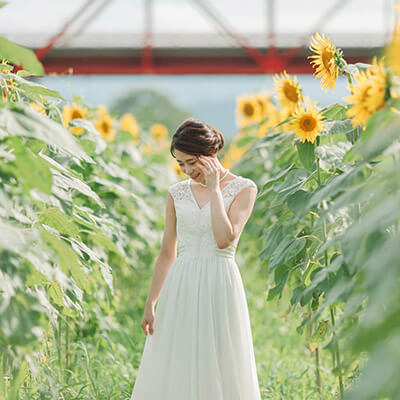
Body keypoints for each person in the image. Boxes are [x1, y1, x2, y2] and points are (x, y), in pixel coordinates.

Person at [131, 118, 261, 399]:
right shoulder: (176, 193)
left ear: (211, 155)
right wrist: (151, 302)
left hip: (220, 282)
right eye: (181, 164)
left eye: (192, 162)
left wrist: (214, 189)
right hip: (182, 283)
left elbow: (224, 238)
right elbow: (167, 251)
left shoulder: (244, 189)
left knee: (221, 358)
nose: (188, 171)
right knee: (179, 357)